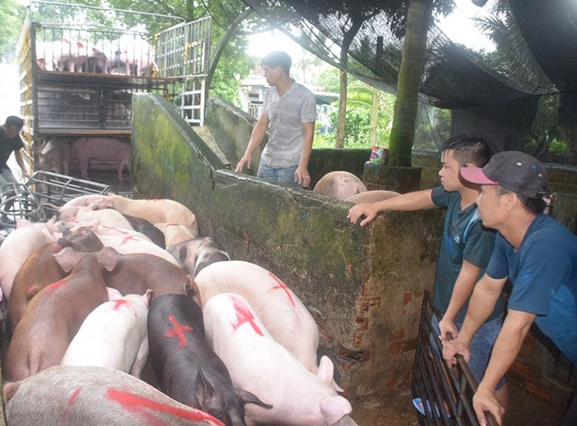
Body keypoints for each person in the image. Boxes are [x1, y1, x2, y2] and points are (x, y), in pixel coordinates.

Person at [347, 135, 508, 410]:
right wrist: (376, 205)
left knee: (478, 378)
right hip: (450, 309)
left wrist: (448, 318)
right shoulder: (456, 196)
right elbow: (422, 198)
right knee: (467, 369)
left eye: (446, 166)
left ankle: (464, 414)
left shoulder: (483, 219)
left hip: (474, 317)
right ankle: (455, 410)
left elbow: (470, 275)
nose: (440, 172)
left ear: (469, 170)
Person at [442, 151, 577, 426]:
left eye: (483, 193)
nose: (477, 199)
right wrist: (464, 338)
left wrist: (488, 386)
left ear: (510, 201)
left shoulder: (545, 246)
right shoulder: (507, 235)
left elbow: (518, 325)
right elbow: (488, 289)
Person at [235, 51, 316, 188]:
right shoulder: (269, 94)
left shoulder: (305, 97)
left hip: (290, 167)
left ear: (278, 71)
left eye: (266, 70)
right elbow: (261, 125)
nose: (264, 74)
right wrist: (247, 153)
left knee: (287, 208)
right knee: (261, 201)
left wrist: (303, 166)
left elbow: (309, 132)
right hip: (267, 162)